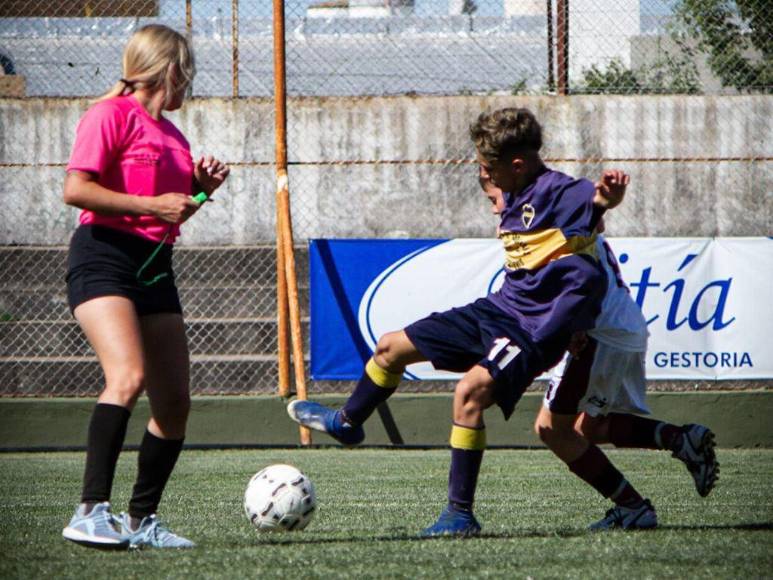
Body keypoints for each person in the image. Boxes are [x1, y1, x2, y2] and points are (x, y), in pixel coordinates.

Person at [289, 107, 626, 537]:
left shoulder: (560, 192)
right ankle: (348, 422)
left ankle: (460, 515)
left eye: (488, 168)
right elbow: (506, 194)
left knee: (469, 392)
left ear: (517, 165)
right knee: (389, 347)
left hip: (532, 331)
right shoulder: (512, 187)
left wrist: (605, 199)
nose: (483, 174)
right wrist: (493, 184)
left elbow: (592, 204)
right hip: (500, 309)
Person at [60, 24, 229, 550]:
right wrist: (154, 206)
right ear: (169, 70)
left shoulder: (175, 137)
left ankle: (141, 521)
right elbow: (76, 189)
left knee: (174, 402)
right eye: (187, 73)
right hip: (104, 257)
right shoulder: (108, 115)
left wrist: (200, 193)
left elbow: (170, 215)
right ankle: (89, 511)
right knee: (127, 376)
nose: (189, 84)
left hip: (155, 266)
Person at [477, 177, 719, 530]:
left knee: (551, 429)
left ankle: (633, 507)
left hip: (597, 333)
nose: (496, 209)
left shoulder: (543, 226)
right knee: (586, 426)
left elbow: (576, 274)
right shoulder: (554, 219)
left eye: (495, 198)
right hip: (622, 328)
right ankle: (680, 439)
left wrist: (572, 327)